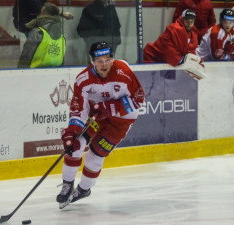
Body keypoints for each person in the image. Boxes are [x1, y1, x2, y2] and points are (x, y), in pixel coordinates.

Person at [56, 41, 145, 209]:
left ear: (113, 58)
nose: (104, 64)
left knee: (95, 154)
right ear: (92, 61)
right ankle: (67, 184)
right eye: (99, 60)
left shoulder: (124, 72)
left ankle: (84, 189)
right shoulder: (83, 80)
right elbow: (79, 109)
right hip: (97, 116)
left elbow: (139, 99)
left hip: (121, 120)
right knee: (75, 144)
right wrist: (72, 131)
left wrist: (110, 107)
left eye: (107, 59)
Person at [17, 2, 66, 68]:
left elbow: (26, 55)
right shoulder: (62, 36)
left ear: (43, 14)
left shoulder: (37, 32)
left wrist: (20, 71)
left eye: (40, 13)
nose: (38, 15)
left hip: (35, 73)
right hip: (55, 72)